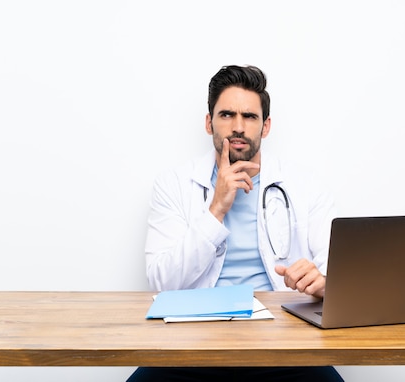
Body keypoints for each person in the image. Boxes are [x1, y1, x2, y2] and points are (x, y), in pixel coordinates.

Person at [127, 65, 343, 382]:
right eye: (226, 114)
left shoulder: (305, 186)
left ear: (265, 126)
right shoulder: (173, 184)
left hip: (284, 345)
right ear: (208, 122)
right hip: (191, 345)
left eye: (250, 117)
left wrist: (323, 283)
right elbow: (162, 282)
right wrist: (216, 207)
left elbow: (338, 276)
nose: (238, 127)